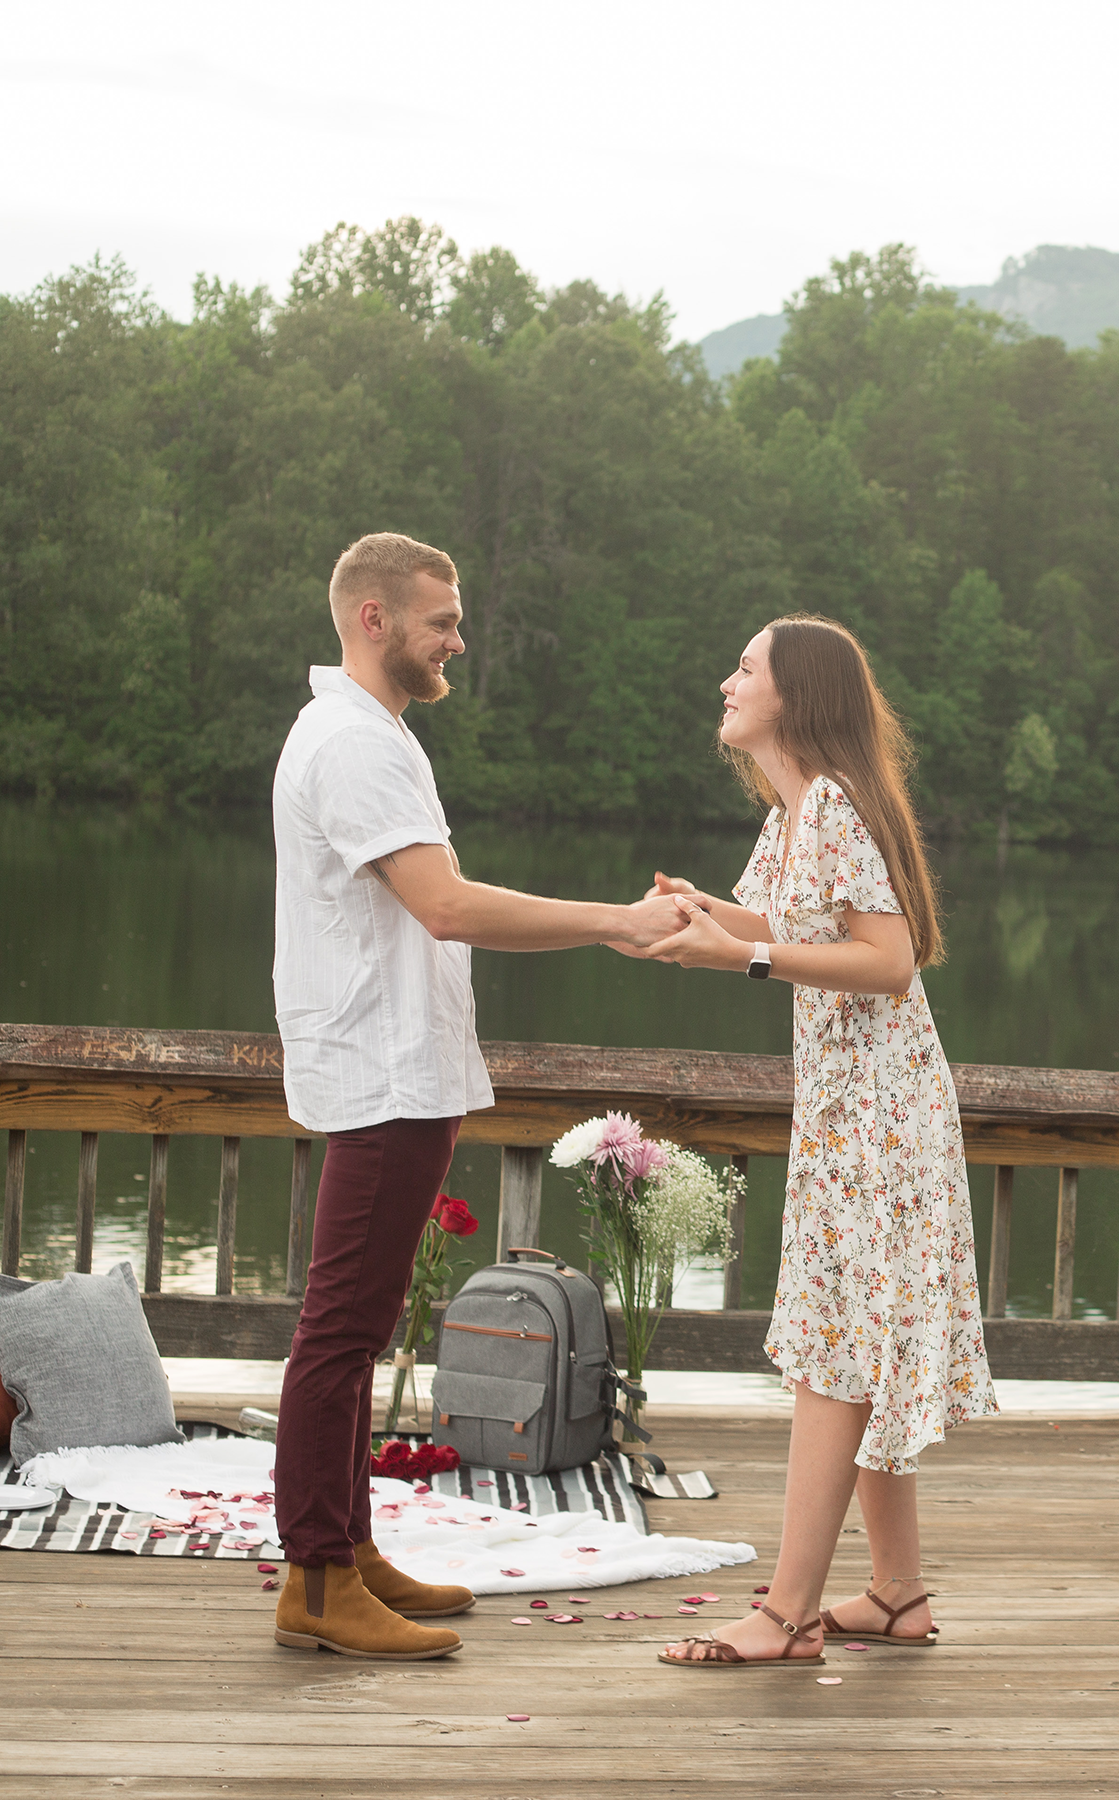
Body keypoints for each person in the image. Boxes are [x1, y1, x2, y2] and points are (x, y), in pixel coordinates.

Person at [269, 531, 682, 1661]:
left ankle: (346, 1551)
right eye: (441, 619)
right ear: (373, 620)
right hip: (381, 1075)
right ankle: (313, 1579)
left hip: (404, 1071)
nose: (459, 637)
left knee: (354, 1328)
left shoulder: (376, 734)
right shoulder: (352, 745)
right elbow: (445, 907)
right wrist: (615, 922)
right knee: (339, 1333)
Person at [646, 614, 997, 1670]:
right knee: (861, 1343)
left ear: (794, 696)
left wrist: (736, 963)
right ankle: (894, 1596)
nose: (725, 680)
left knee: (836, 1353)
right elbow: (782, 928)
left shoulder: (835, 805)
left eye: (744, 668)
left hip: (879, 1123)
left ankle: (788, 1611)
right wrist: (710, 916)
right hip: (853, 1112)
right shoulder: (796, 814)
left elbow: (886, 961)